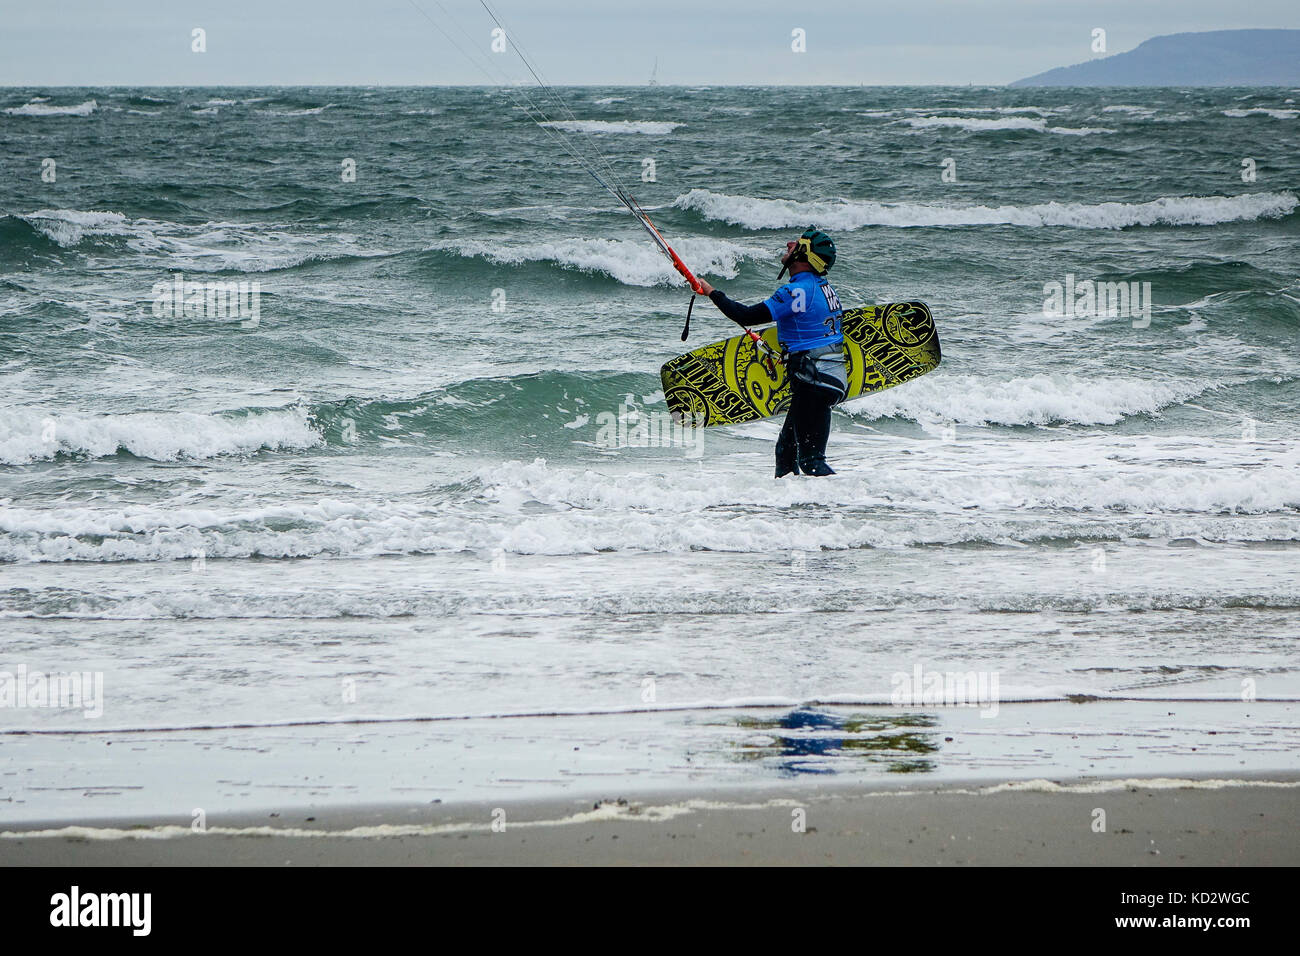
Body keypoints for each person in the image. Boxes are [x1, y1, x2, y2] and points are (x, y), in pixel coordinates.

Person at [697, 227, 847, 477]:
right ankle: (794, 510)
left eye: (796, 244)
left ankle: (846, 504)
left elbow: (745, 315)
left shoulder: (797, 290)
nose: (789, 244)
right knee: (786, 451)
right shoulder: (823, 287)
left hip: (814, 380)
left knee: (811, 461)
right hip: (826, 380)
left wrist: (711, 292)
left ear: (803, 255)